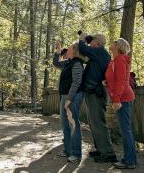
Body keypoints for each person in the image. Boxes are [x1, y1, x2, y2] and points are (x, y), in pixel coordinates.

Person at [78, 33, 117, 163]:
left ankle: (108, 153)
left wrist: (82, 39)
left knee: (99, 122)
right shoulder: (98, 54)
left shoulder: (100, 52)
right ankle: (100, 149)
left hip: (96, 93)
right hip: (92, 91)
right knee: (93, 122)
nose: (89, 43)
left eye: (92, 41)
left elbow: (83, 49)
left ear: (98, 43)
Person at [105, 38, 137, 169]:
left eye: (114, 42)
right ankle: (129, 159)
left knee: (126, 130)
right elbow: (114, 79)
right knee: (125, 130)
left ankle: (130, 161)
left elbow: (122, 81)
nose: (111, 44)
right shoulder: (115, 60)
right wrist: (106, 83)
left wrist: (117, 99)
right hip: (120, 97)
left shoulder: (120, 59)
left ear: (118, 46)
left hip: (123, 97)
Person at [54, 42, 87, 163]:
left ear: (75, 50)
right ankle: (68, 150)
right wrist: (58, 51)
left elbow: (77, 82)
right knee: (65, 124)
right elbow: (56, 63)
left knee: (73, 124)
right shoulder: (68, 62)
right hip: (65, 96)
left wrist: (69, 98)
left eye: (69, 48)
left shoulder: (77, 63)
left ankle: (76, 153)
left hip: (73, 96)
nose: (67, 49)